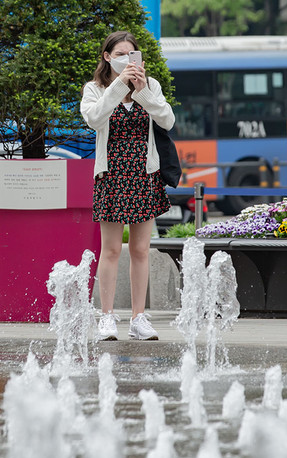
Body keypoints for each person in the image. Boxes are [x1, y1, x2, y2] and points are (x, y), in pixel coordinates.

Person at [81, 31, 175, 341]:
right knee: (110, 250)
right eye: (120, 54)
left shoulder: (150, 86)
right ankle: (106, 317)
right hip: (112, 176)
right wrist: (120, 85)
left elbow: (167, 120)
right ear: (107, 57)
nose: (127, 60)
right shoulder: (94, 89)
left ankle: (138, 319)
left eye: (131, 54)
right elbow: (94, 119)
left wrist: (142, 89)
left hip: (144, 175)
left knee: (140, 250)